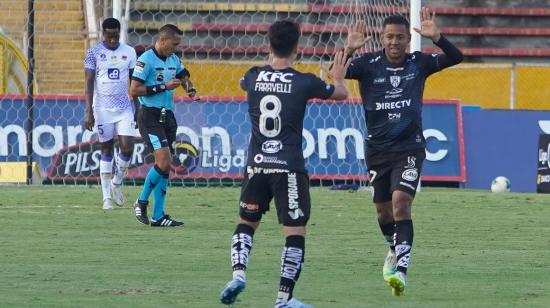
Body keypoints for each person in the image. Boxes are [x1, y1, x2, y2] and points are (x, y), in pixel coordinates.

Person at [219, 20, 351, 308]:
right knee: (294, 230)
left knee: (247, 222)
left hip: (256, 166)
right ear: (297, 47)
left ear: (268, 44)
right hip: (288, 167)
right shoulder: (304, 81)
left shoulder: (252, 77)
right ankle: (283, 299)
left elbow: (247, 82)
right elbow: (341, 95)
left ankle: (238, 274)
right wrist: (339, 77)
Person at [343, 8, 463, 296]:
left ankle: (401, 271)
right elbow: (337, 72)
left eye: (400, 37)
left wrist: (439, 38)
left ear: (408, 39)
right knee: (384, 212)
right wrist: (347, 49)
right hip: (377, 150)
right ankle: (393, 248)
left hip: (409, 147)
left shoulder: (418, 63)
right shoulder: (367, 64)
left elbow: (456, 57)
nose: (395, 42)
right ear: (382, 38)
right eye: (389, 37)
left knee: (400, 203)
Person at [130, 24, 197, 227]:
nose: (176, 47)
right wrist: (163, 86)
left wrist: (189, 87)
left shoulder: (173, 59)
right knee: (164, 161)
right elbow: (134, 89)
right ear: (162, 40)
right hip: (149, 116)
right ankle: (141, 202)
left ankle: (158, 216)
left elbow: (183, 73)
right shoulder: (145, 60)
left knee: (165, 166)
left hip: (167, 116)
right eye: (174, 43)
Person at [84, 17, 138, 210]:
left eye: (116, 36)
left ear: (119, 32)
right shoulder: (94, 53)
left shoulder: (129, 52)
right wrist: (88, 110)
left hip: (124, 108)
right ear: (103, 33)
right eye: (109, 36)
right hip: (102, 109)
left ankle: (116, 183)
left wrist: (138, 109)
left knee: (127, 148)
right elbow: (89, 82)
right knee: (106, 149)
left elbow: (135, 83)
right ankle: (106, 197)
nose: (113, 40)